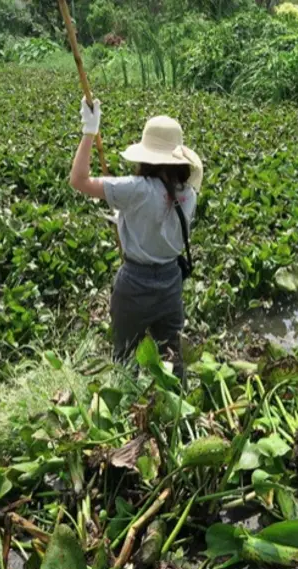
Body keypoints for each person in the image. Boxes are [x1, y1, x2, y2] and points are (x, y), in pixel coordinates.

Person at [69, 98, 202, 379]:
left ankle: (127, 400)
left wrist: (89, 132)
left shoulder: (135, 189)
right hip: (170, 282)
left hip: (135, 283)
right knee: (172, 356)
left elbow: (79, 180)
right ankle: (175, 401)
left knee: (125, 357)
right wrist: (128, 217)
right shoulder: (189, 194)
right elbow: (161, 217)